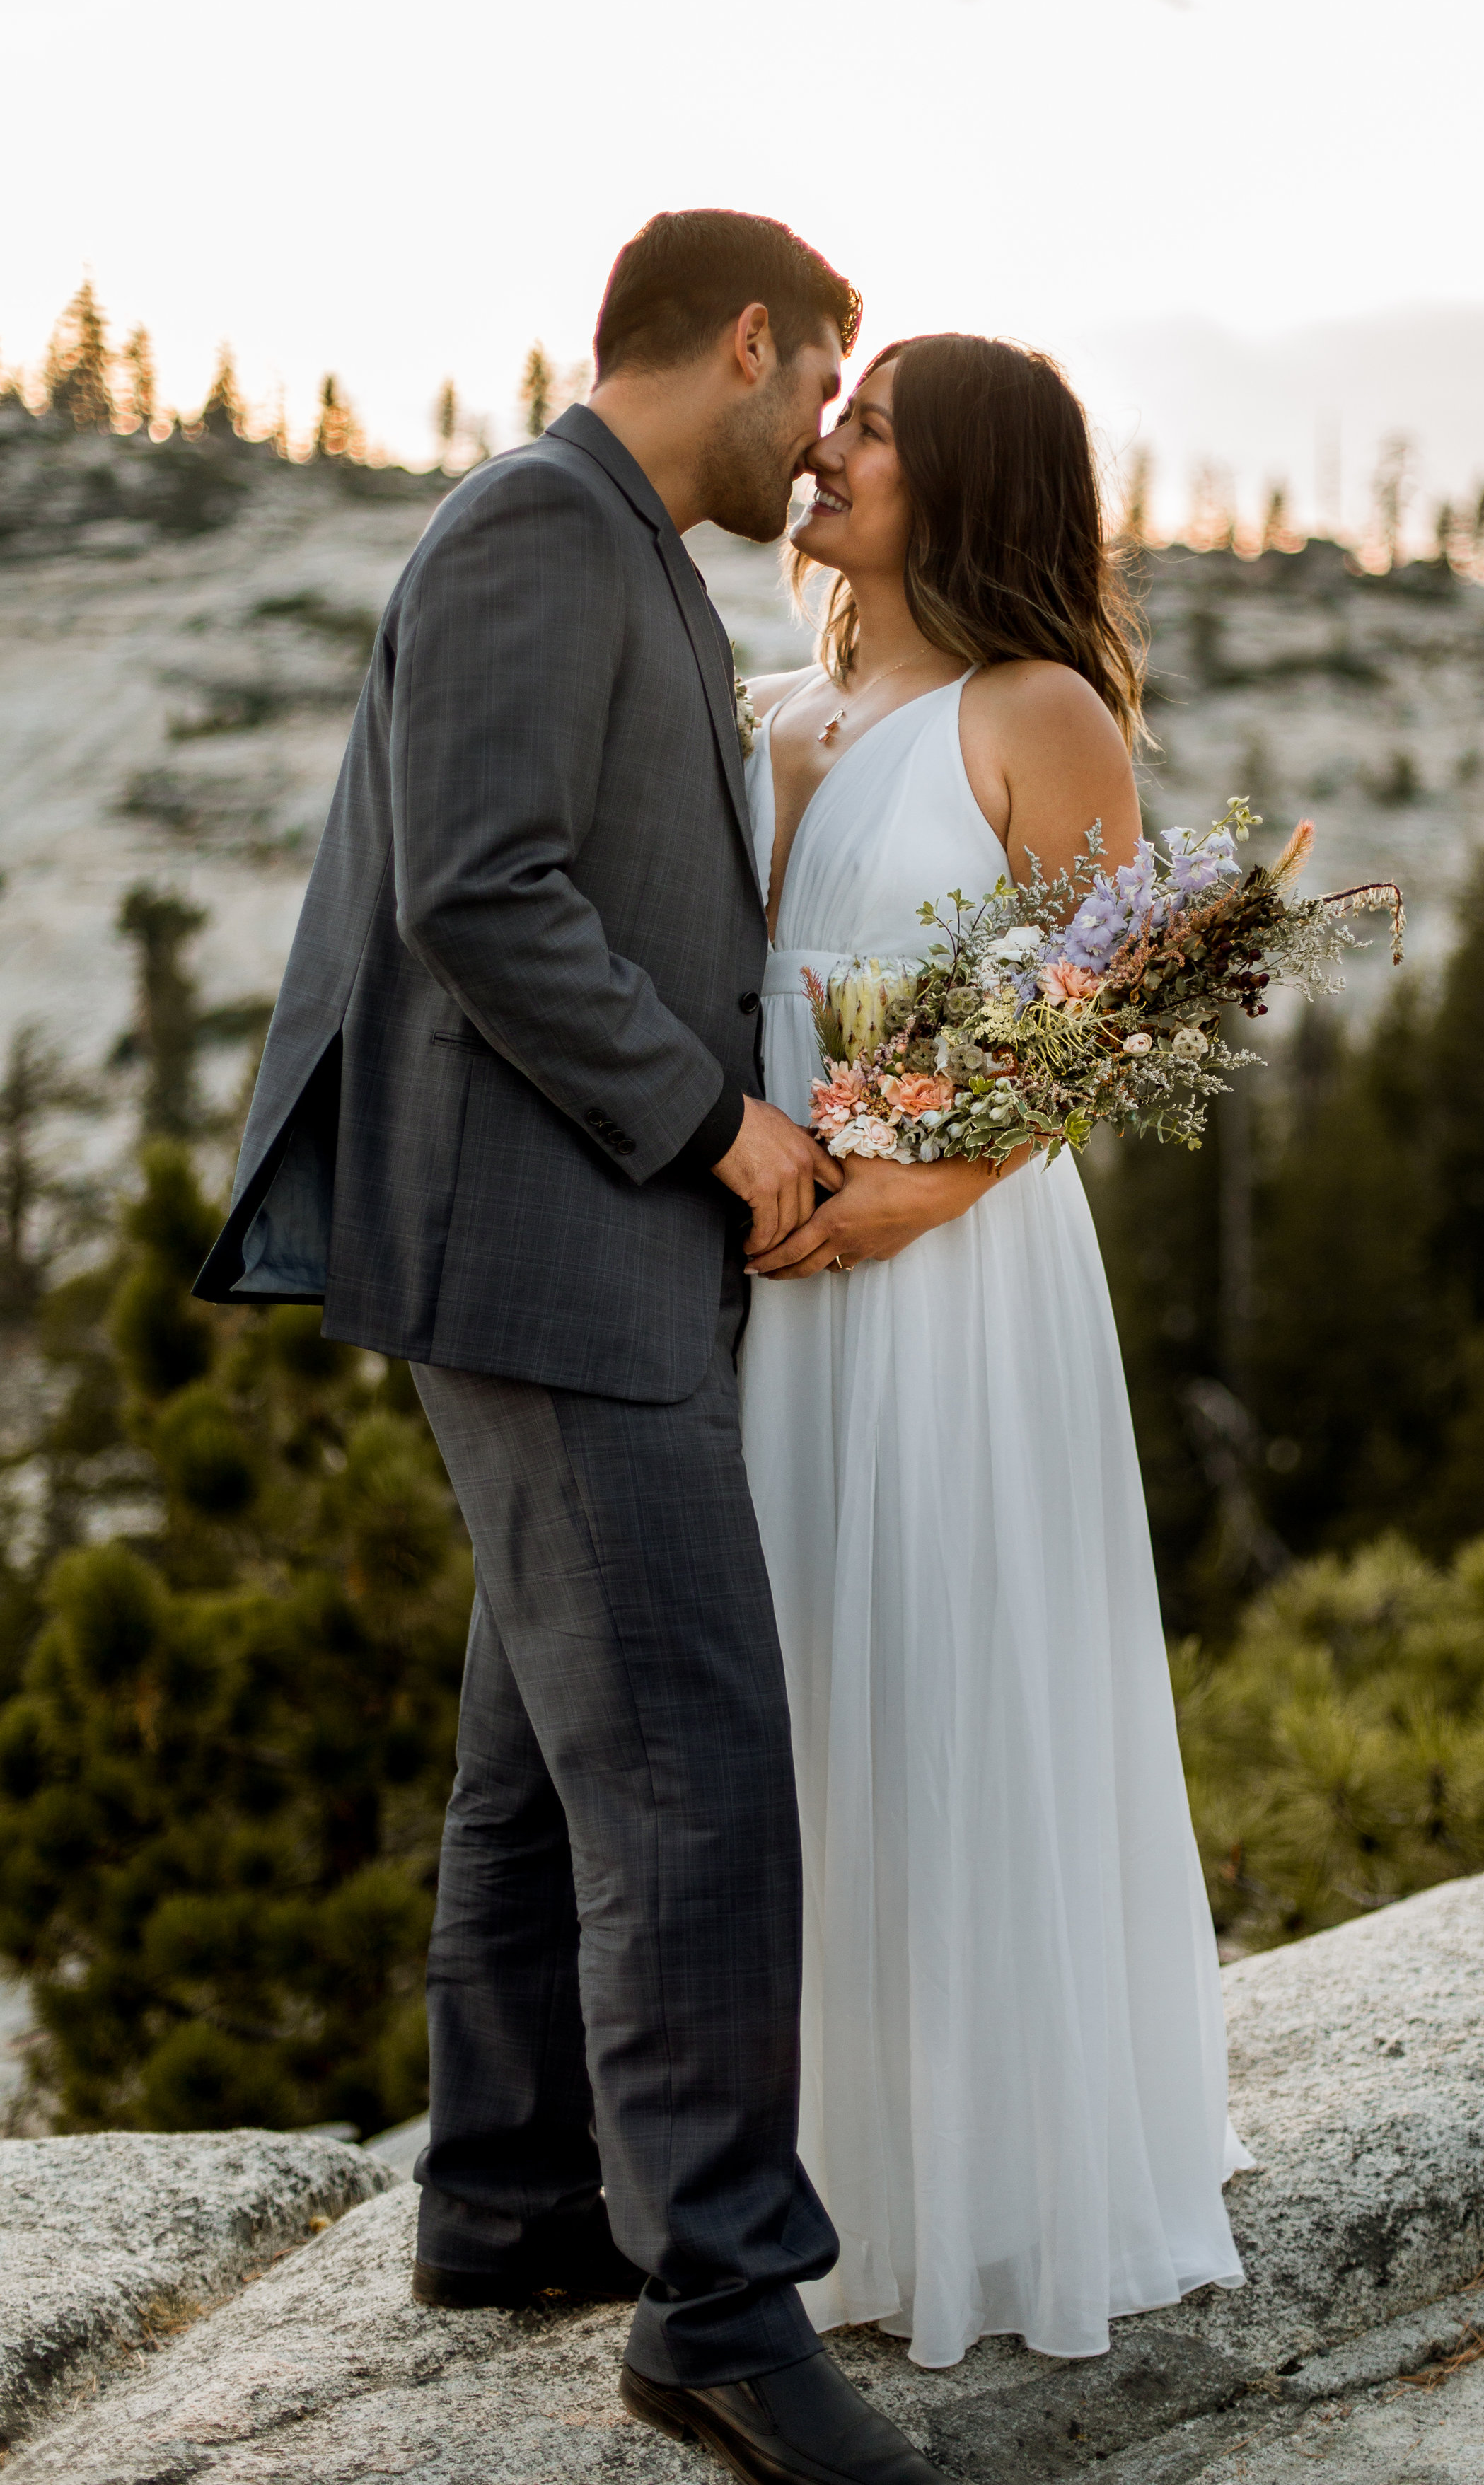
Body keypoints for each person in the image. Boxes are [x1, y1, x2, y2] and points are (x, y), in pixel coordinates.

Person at [195, 212, 953, 2485]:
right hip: (548, 1237)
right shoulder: (536, 526)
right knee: (696, 1768)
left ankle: (508, 2205)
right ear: (748, 340)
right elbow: (483, 886)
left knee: (537, 1753)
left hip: (556, 1242)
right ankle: (718, 2303)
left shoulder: (615, 541)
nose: (822, 428)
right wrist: (713, 1130)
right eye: (819, 378)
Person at [738, 334, 1250, 2370]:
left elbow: (1106, 1014)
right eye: (832, 415)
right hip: (777, 1274)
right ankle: (806, 2182)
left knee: (957, 1677)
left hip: (956, 1280)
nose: (825, 443)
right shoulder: (772, 713)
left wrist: (924, 1192)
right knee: (791, 1702)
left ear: (963, 484)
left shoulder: (1034, 713)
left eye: (871, 427)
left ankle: (1000, 2188)